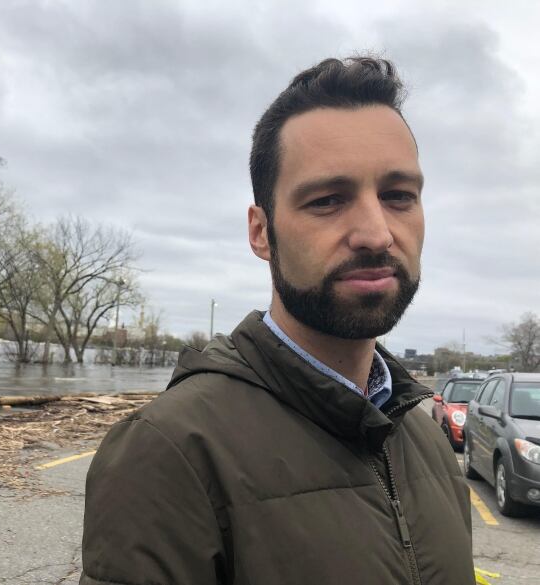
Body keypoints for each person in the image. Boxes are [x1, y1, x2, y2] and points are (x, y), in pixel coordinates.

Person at [79, 57, 474, 585]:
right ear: (261, 232)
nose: (377, 233)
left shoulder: (428, 443)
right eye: (328, 200)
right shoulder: (169, 452)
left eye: (398, 196)